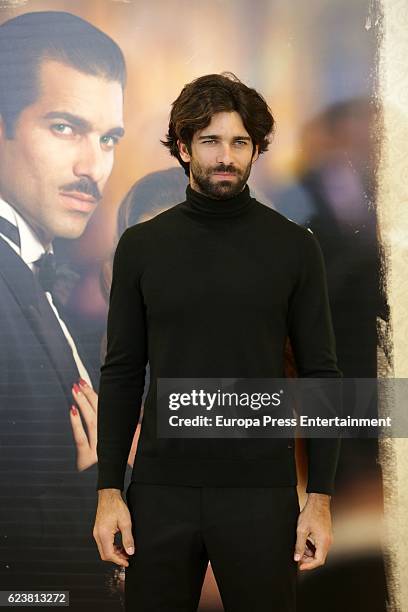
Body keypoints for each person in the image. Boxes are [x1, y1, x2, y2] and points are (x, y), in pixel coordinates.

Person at [94, 72, 342, 611]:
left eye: (239, 142)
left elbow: (322, 376)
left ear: (255, 150)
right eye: (210, 140)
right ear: (183, 148)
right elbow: (122, 371)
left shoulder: (294, 248)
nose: (226, 156)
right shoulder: (140, 247)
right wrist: (109, 491)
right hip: (160, 496)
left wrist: (319, 498)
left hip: (262, 497)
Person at [0, 11, 126, 609]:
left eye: (107, 139)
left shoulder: (30, 268)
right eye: (64, 127)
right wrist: (98, 487)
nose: (92, 167)